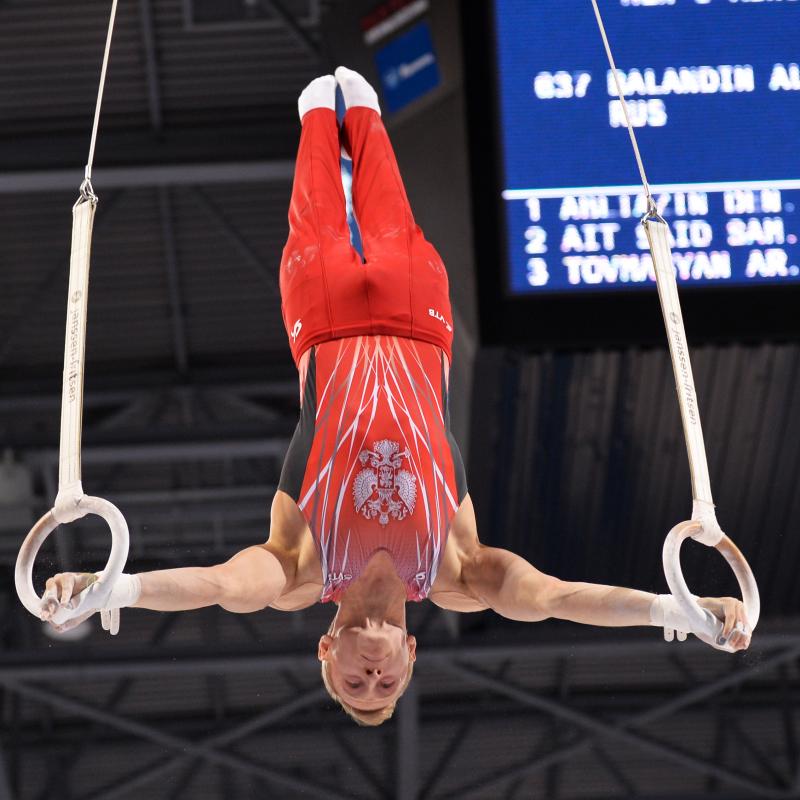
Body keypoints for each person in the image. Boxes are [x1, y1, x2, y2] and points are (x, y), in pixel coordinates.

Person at [40, 67, 751, 727]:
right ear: (413, 657)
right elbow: (560, 600)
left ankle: (320, 113)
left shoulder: (300, 570)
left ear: (326, 651)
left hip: (326, 321)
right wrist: (679, 611)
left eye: (355, 685)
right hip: (421, 324)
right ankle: (368, 115)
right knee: (391, 206)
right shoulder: (455, 570)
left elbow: (217, 586)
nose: (372, 676)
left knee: (319, 186)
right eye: (388, 685)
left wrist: (112, 589)